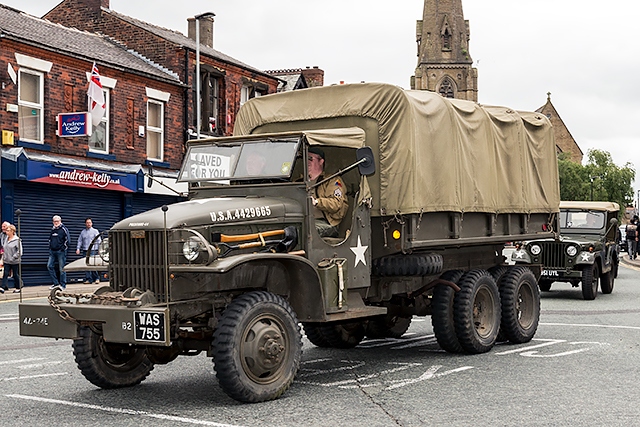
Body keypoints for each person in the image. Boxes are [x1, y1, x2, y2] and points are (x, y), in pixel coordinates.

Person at [307, 147, 349, 238]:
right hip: (303, 221)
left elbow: (336, 203)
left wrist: (316, 202)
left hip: (325, 222)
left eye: (310, 158)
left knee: (306, 231)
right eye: (305, 158)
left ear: (321, 161)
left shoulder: (332, 180)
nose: (307, 162)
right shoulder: (299, 182)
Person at [76, 217, 101, 284]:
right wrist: (78, 248)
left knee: (92, 265)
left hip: (93, 250)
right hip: (85, 250)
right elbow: (80, 241)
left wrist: (99, 249)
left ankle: (96, 278)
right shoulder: (83, 232)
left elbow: (99, 241)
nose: (88, 224)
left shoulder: (95, 231)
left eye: (90, 222)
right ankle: (89, 279)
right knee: (86, 265)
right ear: (85, 224)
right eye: (87, 223)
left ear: (92, 223)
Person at [48, 215, 70, 289]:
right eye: (54, 221)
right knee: (49, 266)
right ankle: (56, 283)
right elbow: (50, 240)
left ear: (60, 221)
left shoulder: (64, 229)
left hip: (61, 252)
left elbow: (68, 240)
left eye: (57, 221)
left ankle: (63, 285)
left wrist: (63, 248)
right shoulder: (52, 230)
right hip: (52, 251)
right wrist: (50, 248)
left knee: (62, 269)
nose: (56, 222)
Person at [1, 224, 22, 293]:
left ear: (12, 231)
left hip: (14, 261)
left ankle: (18, 287)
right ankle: (2, 287)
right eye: (6, 230)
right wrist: (3, 258)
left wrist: (13, 257)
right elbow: (4, 248)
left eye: (8, 230)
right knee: (5, 274)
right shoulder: (6, 239)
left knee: (15, 274)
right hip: (7, 260)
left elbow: (20, 251)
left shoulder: (17, 240)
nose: (6, 232)